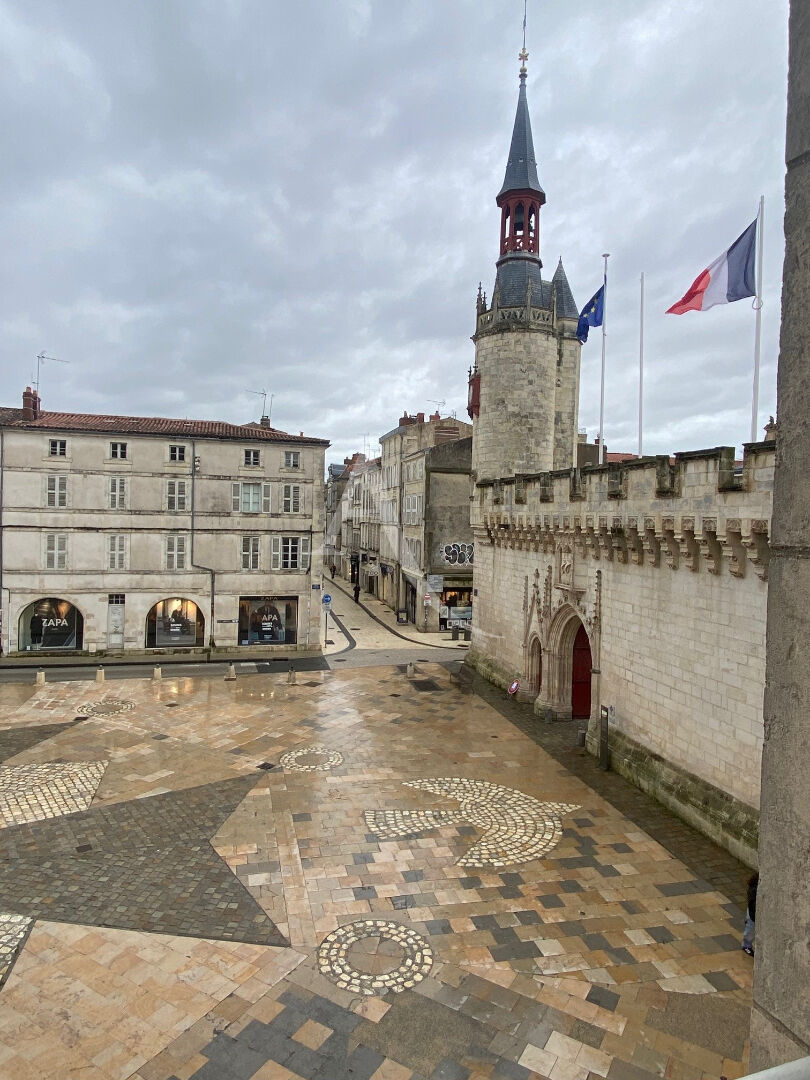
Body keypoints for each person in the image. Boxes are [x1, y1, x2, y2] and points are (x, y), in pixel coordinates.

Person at [742, 871, 758, 956]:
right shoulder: (753, 890)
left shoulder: (753, 888)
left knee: (750, 929)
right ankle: (746, 946)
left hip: (753, 913)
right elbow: (753, 905)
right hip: (753, 915)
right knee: (750, 930)